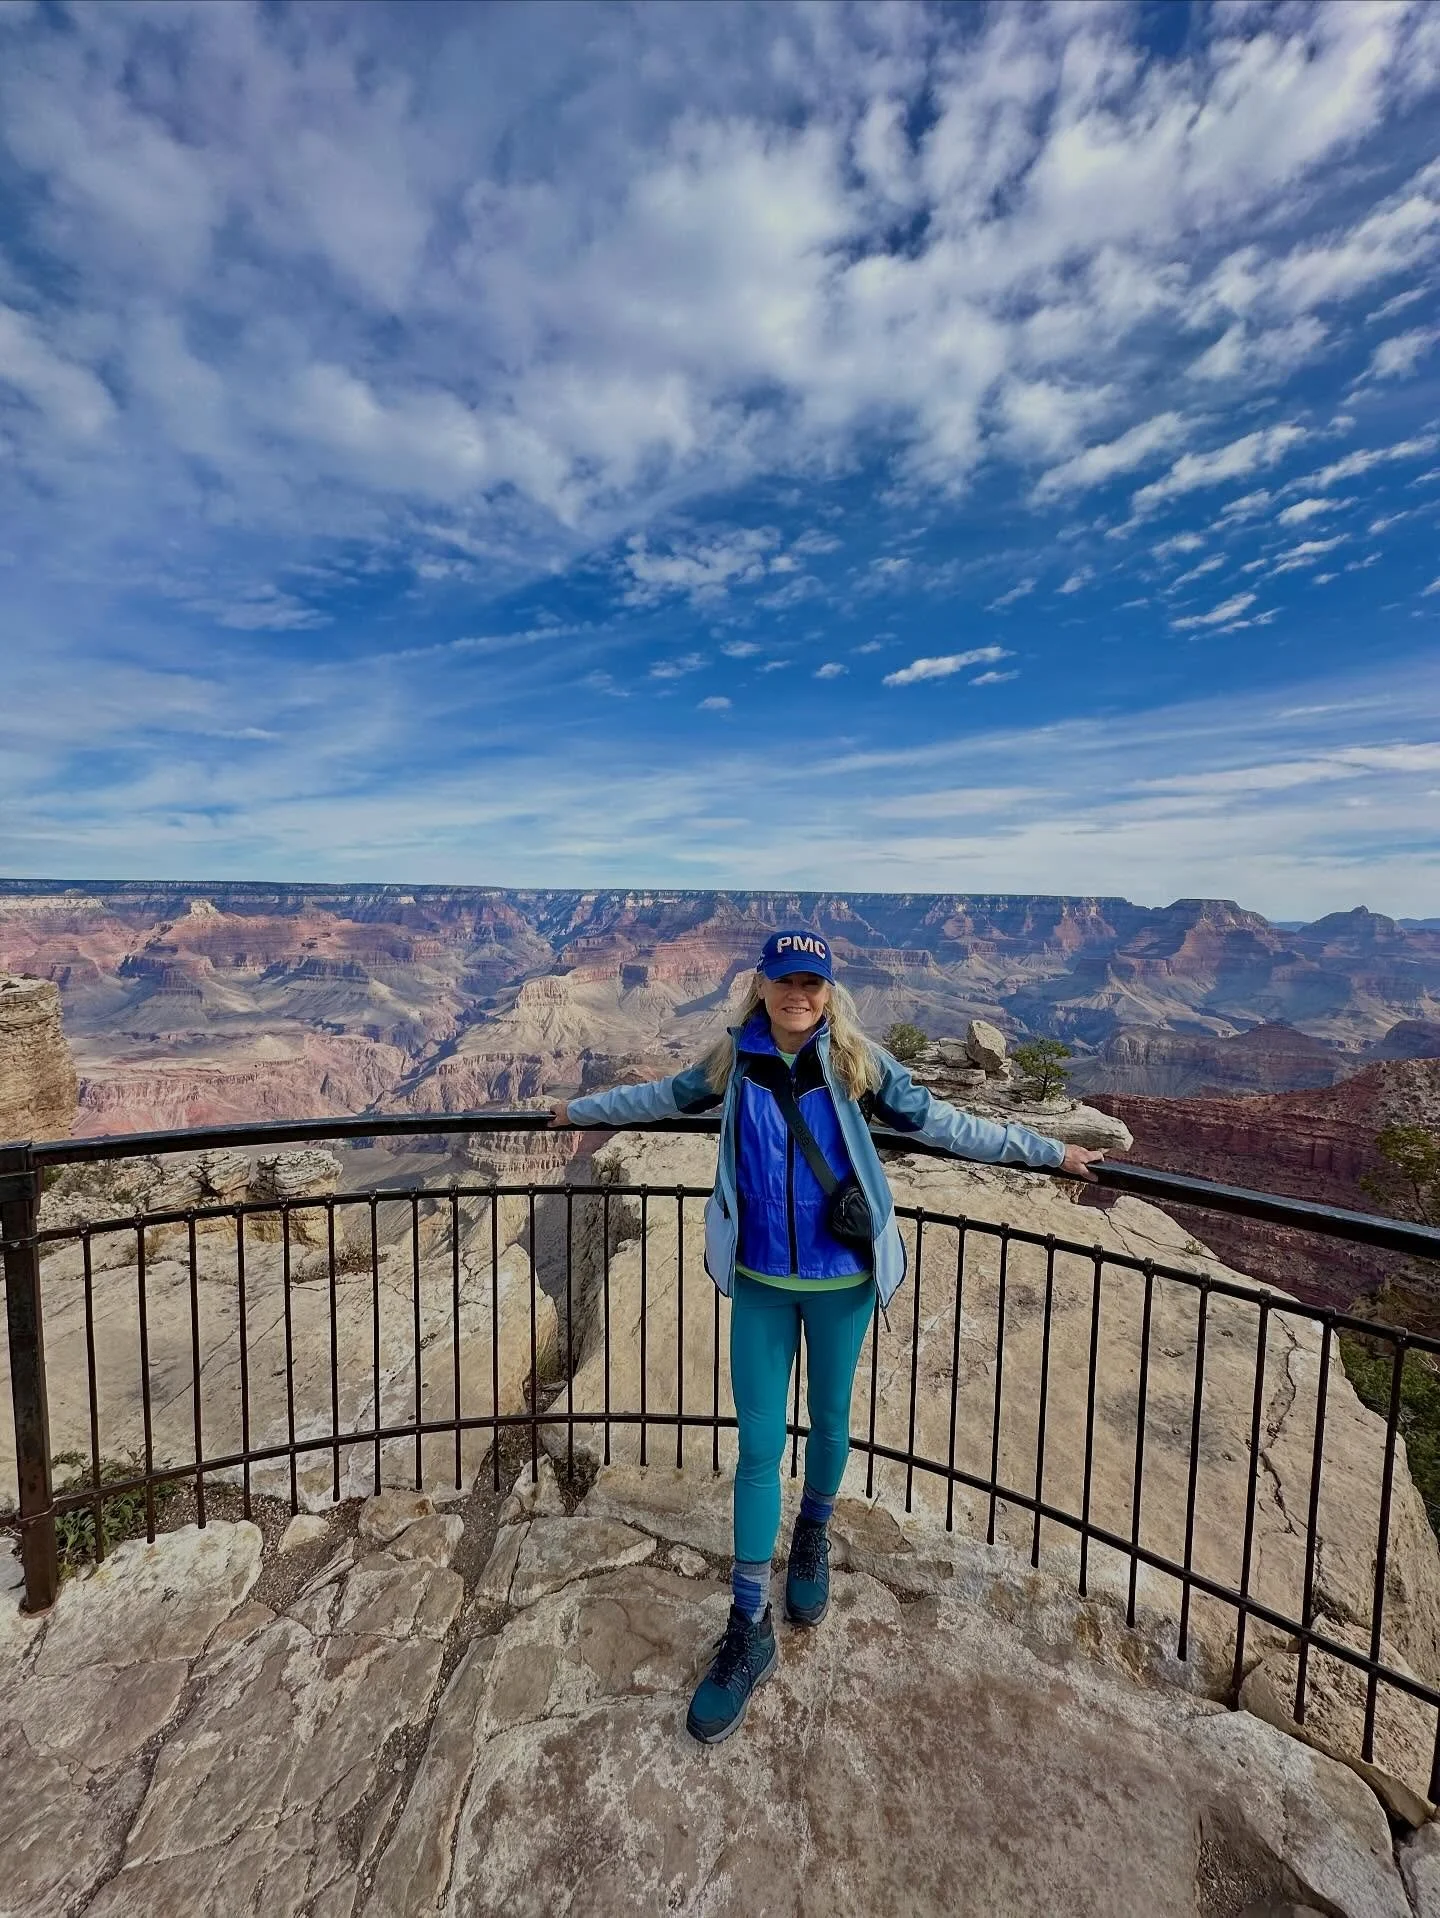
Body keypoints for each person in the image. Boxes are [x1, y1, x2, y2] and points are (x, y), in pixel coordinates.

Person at [550, 928, 1102, 1744]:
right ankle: (747, 1626)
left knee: (834, 1423)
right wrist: (575, 1111)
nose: (797, 995)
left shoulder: (858, 1065)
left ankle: (812, 1535)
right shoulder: (732, 1062)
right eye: (784, 981)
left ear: (829, 991)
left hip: (842, 1283)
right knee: (758, 1448)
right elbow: (659, 1096)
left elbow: (949, 1124)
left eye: (811, 982)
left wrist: (1049, 1152)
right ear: (761, 988)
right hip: (763, 1287)